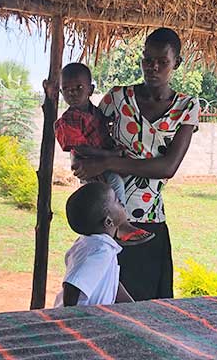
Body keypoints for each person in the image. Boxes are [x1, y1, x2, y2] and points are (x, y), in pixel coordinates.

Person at [71, 28, 200, 301]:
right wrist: (82, 162)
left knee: (148, 307)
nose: (152, 67)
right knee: (103, 302)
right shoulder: (118, 98)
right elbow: (82, 129)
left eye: (162, 61)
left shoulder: (186, 107)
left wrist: (107, 161)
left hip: (150, 219)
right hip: (106, 221)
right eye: (147, 59)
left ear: (177, 63)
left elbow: (168, 167)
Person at [52, 63, 154, 246]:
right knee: (113, 185)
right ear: (61, 93)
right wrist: (108, 155)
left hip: (104, 162)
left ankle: (106, 232)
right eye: (66, 89)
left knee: (106, 199)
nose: (72, 93)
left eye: (78, 88)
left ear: (91, 89)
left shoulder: (96, 112)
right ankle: (122, 224)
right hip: (91, 167)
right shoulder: (68, 119)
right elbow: (81, 148)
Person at [54, 182, 135, 307]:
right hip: (80, 318)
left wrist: (133, 306)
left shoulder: (92, 243)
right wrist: (69, 316)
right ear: (108, 221)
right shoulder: (100, 249)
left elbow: (113, 282)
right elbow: (72, 286)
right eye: (117, 201)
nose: (122, 203)